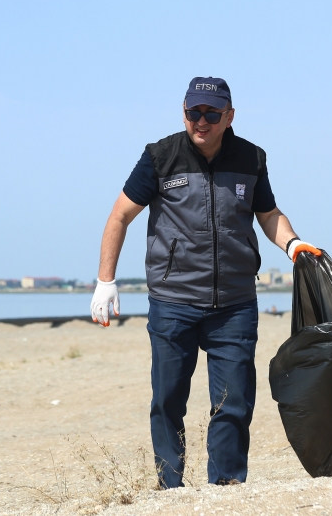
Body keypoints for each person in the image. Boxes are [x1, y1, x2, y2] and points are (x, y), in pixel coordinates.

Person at [90, 77, 319, 489]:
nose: (201, 121)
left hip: (234, 304)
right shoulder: (160, 156)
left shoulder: (251, 158)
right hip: (172, 301)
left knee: (234, 402)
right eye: (193, 112)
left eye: (211, 114)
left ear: (229, 116)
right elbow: (119, 215)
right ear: (183, 112)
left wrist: (293, 244)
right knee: (167, 401)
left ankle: (226, 487)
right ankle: (170, 487)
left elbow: (268, 214)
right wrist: (105, 281)